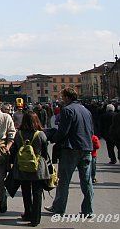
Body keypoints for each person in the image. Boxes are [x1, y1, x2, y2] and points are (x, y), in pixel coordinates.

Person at [45, 87, 94, 216]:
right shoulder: (86, 110)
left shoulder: (67, 110)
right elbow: (91, 129)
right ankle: (88, 210)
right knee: (86, 180)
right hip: (86, 147)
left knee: (64, 180)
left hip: (71, 148)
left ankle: (59, 208)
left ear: (67, 97)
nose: (61, 99)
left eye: (62, 97)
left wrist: (53, 138)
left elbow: (63, 131)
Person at [12, 111, 50, 227]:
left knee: (26, 191)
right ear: (36, 121)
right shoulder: (40, 134)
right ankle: (35, 219)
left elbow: (16, 148)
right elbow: (44, 151)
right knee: (37, 193)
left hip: (22, 166)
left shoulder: (19, 134)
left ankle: (27, 213)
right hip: (37, 167)